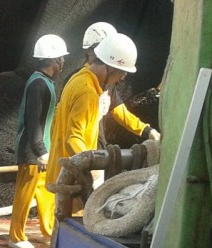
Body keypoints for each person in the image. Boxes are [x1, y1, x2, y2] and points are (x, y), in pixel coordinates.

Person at [44, 31, 140, 220]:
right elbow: (74, 137)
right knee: (78, 230)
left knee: (63, 229)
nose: (121, 79)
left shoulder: (78, 78)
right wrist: (92, 170)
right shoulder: (87, 92)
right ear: (111, 68)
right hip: (73, 179)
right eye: (122, 73)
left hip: (64, 171)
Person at [8, 34, 68, 248]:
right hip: (31, 150)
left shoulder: (45, 83)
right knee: (25, 193)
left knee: (44, 190)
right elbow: (33, 121)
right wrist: (40, 150)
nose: (63, 61)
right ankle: (15, 236)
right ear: (53, 60)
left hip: (41, 149)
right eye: (61, 57)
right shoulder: (38, 85)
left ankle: (48, 229)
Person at [80, 22, 161, 149]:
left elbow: (120, 112)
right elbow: (71, 132)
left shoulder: (108, 84)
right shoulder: (80, 82)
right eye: (92, 51)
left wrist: (146, 130)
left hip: (97, 149)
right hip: (80, 153)